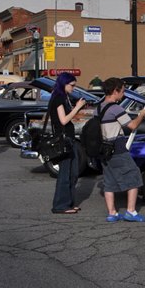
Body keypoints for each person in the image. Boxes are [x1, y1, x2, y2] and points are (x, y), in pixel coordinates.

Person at [98, 77, 145, 223]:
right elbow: (132, 125)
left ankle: (112, 213)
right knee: (134, 176)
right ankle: (131, 211)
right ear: (115, 90)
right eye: (123, 90)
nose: (124, 93)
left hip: (103, 148)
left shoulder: (99, 107)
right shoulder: (115, 108)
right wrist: (141, 115)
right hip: (117, 148)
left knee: (109, 181)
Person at [48, 73, 87, 214]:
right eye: (72, 85)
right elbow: (63, 120)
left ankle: (68, 203)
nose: (73, 88)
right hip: (63, 140)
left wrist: (77, 110)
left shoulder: (63, 98)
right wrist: (77, 108)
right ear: (63, 84)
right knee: (65, 174)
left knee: (73, 173)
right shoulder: (58, 98)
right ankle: (60, 205)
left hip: (69, 138)